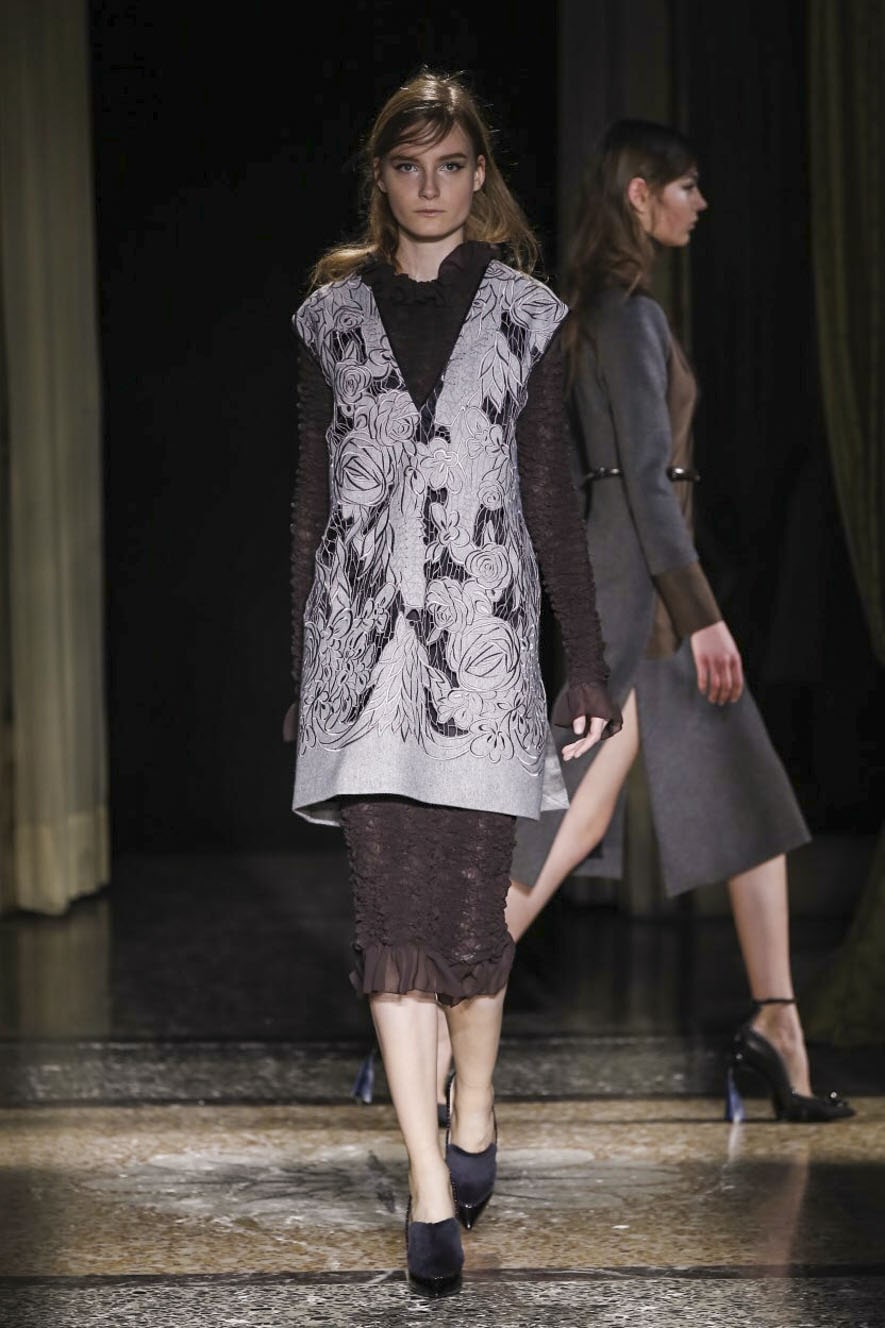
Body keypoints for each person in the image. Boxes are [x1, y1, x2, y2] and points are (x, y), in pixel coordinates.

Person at [435, 118, 855, 1127]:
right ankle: (433, 1016)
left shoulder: (607, 312)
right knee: (567, 820)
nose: (698, 204)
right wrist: (700, 617)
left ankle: (778, 1025)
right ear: (640, 195)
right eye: (686, 187)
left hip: (637, 587)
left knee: (748, 802)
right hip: (639, 599)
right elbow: (645, 487)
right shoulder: (625, 318)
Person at [285, 70, 621, 1297]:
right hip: (360, 654)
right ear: (381, 178)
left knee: (474, 925)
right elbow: (310, 501)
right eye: (407, 164)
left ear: (479, 177)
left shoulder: (529, 314)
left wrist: (584, 657)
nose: (429, 185)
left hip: (484, 650)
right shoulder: (330, 318)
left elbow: (550, 499)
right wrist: (302, 665)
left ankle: (473, 1099)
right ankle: (428, 1182)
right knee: (389, 924)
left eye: (450, 164)